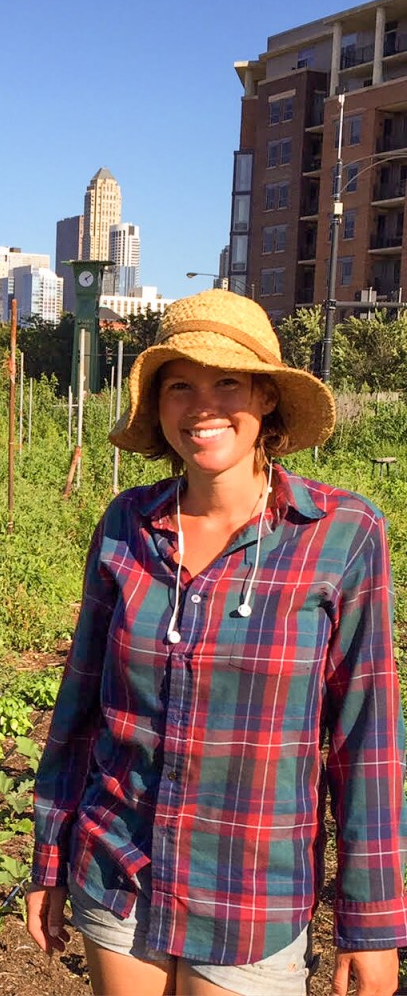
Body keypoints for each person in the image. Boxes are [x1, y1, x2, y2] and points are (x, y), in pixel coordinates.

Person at [27, 289, 407, 996]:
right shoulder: (128, 524)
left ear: (264, 399)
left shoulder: (342, 534)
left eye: (227, 382)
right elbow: (78, 706)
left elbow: (368, 737)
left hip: (251, 893)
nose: (202, 405)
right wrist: (48, 857)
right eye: (180, 386)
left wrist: (372, 920)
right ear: (158, 406)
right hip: (118, 867)